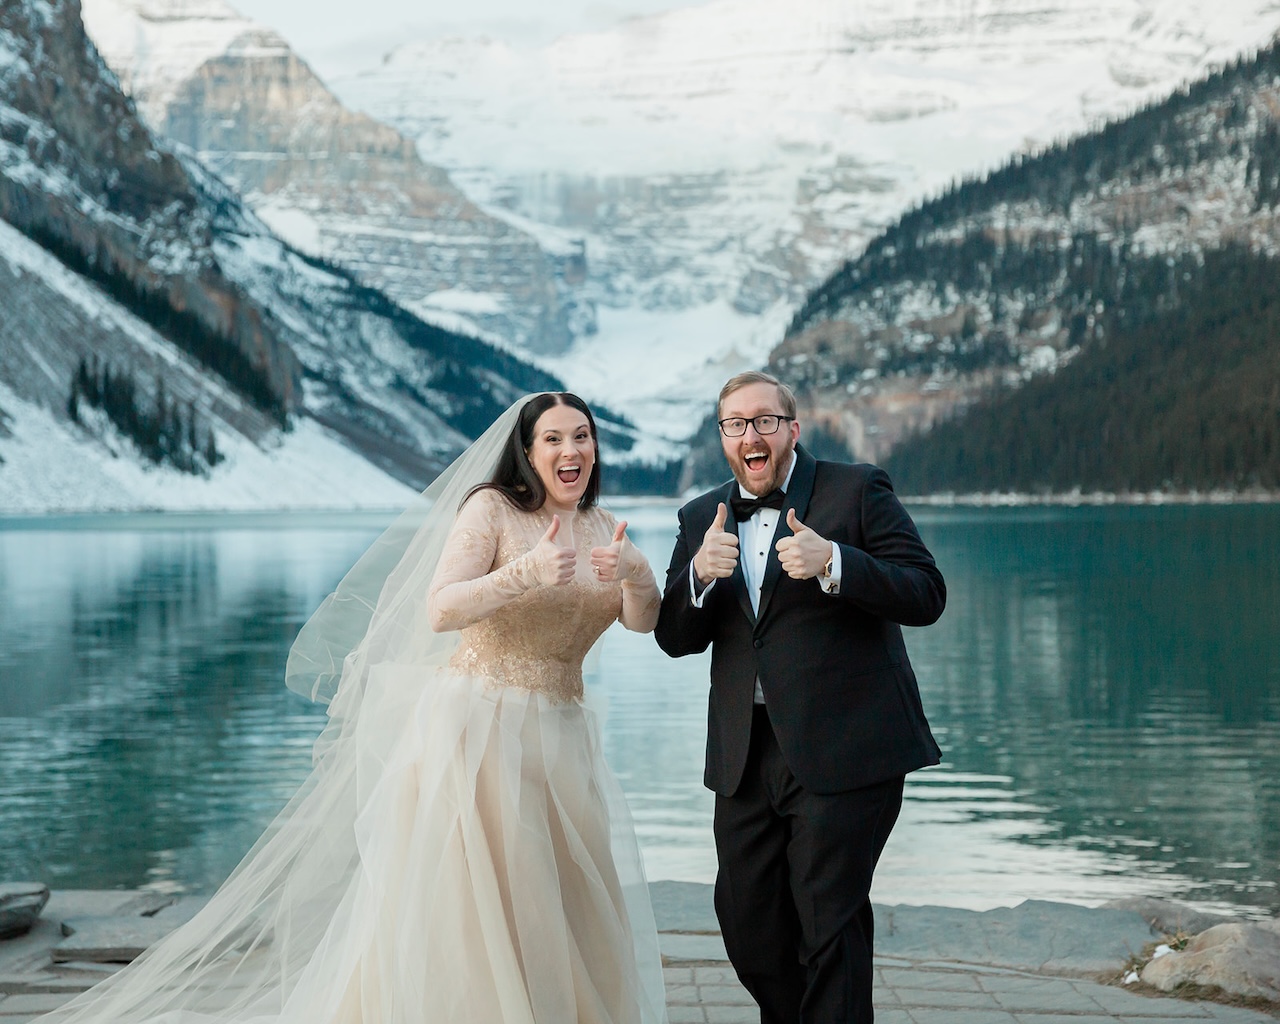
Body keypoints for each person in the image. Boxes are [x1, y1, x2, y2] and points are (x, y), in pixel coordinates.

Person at [35, 392, 669, 1024]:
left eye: (581, 436)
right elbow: (440, 608)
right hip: (482, 730)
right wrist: (524, 572)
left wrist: (638, 573)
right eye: (553, 438)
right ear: (527, 452)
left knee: (569, 900)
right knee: (494, 907)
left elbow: (641, 621)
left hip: (562, 735)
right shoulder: (492, 509)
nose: (570, 450)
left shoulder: (601, 525)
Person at [654, 371, 945, 1024]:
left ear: (792, 429)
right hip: (744, 757)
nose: (750, 435)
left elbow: (926, 592)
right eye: (736, 424)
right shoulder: (701, 517)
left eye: (765, 420)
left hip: (846, 750)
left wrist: (837, 562)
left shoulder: (857, 490)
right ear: (723, 436)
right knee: (748, 924)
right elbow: (674, 638)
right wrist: (699, 576)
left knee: (828, 926)